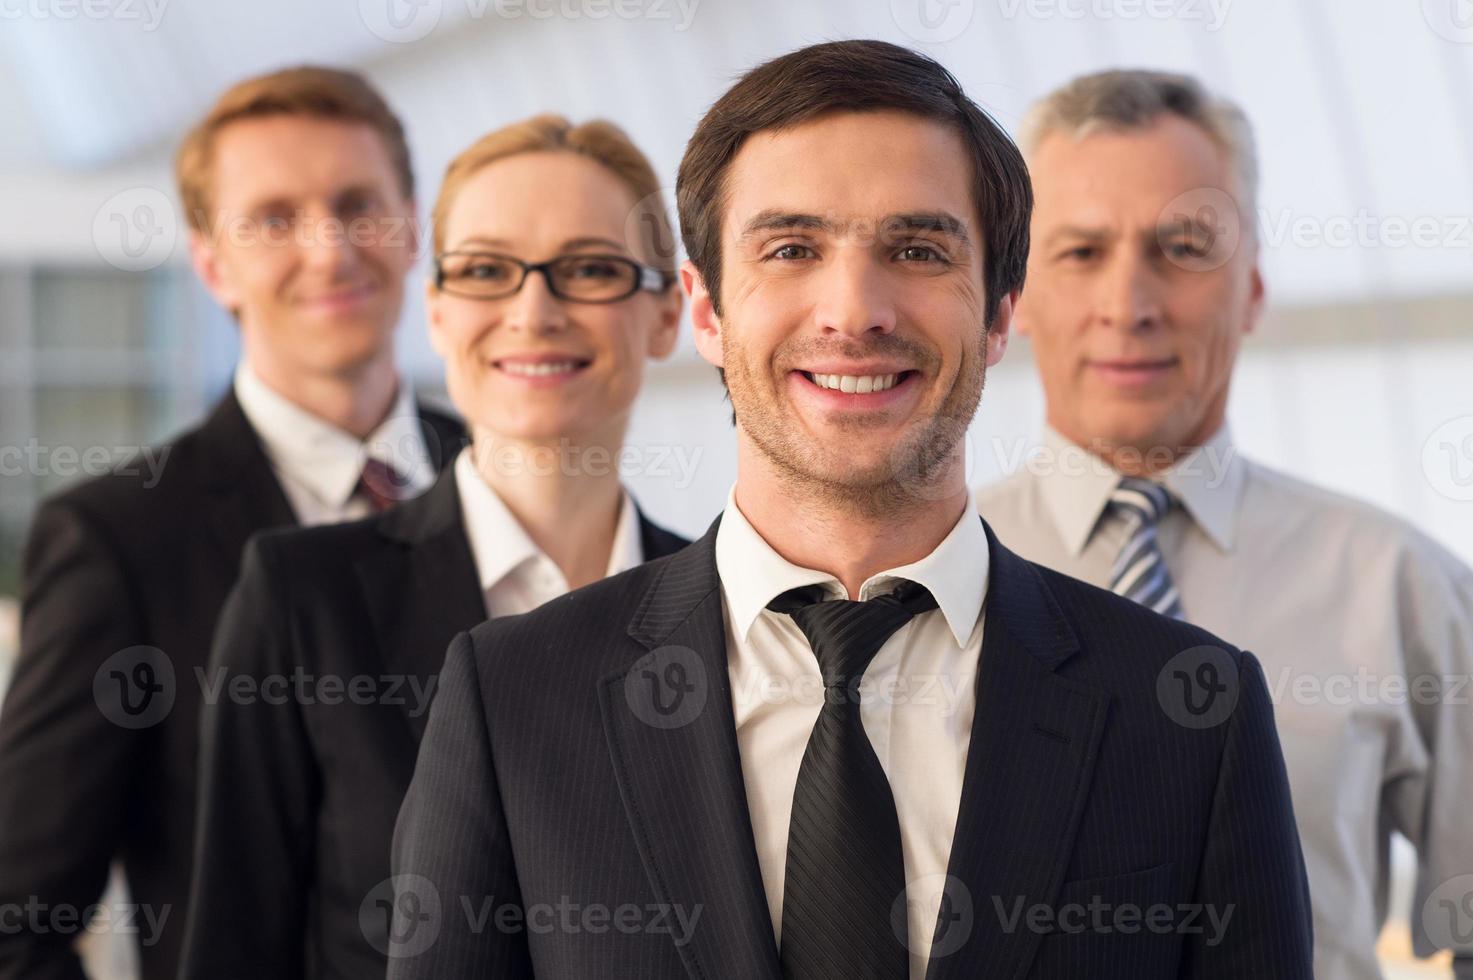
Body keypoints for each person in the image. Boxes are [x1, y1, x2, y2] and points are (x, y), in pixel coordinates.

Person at [387, 41, 1314, 980]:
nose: (854, 309)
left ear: (998, 313)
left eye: (915, 250)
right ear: (705, 312)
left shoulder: (1190, 715)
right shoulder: (514, 699)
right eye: (791, 249)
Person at [976, 69, 1473, 979]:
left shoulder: (1401, 584)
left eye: (1181, 247)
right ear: (1014, 297)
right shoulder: (925, 577)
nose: (1128, 305)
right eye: (1080, 251)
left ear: (1250, 289)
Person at [177, 114, 691, 980]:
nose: (534, 311)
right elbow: (236, 950)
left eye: (591, 269)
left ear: (671, 312)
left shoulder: (728, 605)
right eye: (487, 271)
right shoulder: (305, 602)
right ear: (439, 311)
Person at [0, 67, 464, 980]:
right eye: (275, 219)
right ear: (212, 261)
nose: (329, 251)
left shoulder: (511, 480)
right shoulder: (119, 541)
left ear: (412, 228)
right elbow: (17, 920)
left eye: (357, 205)